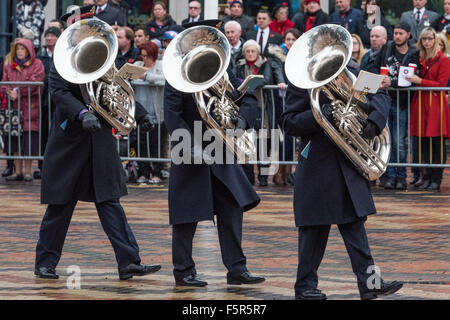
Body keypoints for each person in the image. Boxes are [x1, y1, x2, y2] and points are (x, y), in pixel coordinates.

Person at [33, 4, 161, 280]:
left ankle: (129, 261)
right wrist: (81, 113)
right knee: (60, 205)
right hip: (71, 141)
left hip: (98, 140)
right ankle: (44, 263)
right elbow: (58, 92)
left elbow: (116, 89)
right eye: (82, 25)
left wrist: (141, 113)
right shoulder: (60, 56)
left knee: (110, 202)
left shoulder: (104, 53)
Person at [281, 26, 403, 300]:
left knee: (355, 229)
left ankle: (370, 285)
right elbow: (288, 122)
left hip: (348, 163)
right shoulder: (302, 81)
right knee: (313, 231)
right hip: (318, 163)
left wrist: (374, 122)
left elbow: (381, 95)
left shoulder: (352, 74)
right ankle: (304, 288)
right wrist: (320, 115)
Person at [164, 19, 265, 287]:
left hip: (221, 150)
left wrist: (243, 120)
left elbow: (247, 97)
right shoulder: (176, 74)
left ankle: (237, 269)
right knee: (187, 215)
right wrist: (191, 146)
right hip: (191, 151)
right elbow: (172, 116)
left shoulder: (222, 70)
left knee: (232, 210)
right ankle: (183, 271)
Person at [374, 22, 419, 190]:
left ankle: (401, 175)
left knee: (399, 140)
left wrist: (391, 81)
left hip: (402, 102)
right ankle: (390, 174)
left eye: (401, 33)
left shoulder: (414, 52)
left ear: (408, 35)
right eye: (395, 33)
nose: (397, 36)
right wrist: (380, 80)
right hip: (385, 100)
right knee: (387, 140)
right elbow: (378, 67)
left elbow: (410, 78)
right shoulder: (387, 49)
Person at [406, 27, 450, 191]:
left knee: (436, 143)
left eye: (430, 39)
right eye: (424, 39)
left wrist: (420, 81)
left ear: (435, 40)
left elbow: (442, 85)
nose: (427, 42)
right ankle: (427, 176)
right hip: (421, 103)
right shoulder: (420, 58)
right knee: (423, 142)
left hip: (435, 104)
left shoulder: (443, 60)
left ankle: (436, 178)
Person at [1, 38, 45, 182]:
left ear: (28, 50)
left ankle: (27, 171)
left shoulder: (37, 64)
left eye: (22, 49)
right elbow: (4, 82)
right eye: (18, 48)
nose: (20, 51)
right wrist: (9, 92)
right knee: (14, 139)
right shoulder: (8, 64)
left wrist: (18, 92)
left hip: (30, 107)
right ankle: (17, 171)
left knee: (29, 140)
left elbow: (35, 83)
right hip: (13, 108)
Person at [234, 40, 273, 186]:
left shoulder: (265, 64)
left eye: (253, 51)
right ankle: (248, 178)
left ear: (258, 52)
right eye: (248, 51)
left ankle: (263, 178)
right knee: (246, 143)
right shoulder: (239, 65)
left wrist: (246, 84)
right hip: (245, 108)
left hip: (262, 107)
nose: (250, 54)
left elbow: (266, 80)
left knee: (263, 142)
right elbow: (235, 81)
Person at [268, 28, 302, 186]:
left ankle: (291, 171)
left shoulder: (301, 55)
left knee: (293, 139)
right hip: (281, 100)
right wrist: (282, 83)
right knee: (285, 139)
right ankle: (282, 172)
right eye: (288, 39)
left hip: (297, 100)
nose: (290, 42)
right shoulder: (277, 54)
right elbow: (277, 70)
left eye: (293, 39)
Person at [133, 41, 166, 185]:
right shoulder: (137, 65)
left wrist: (145, 77)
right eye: (142, 55)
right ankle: (143, 172)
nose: (143, 58)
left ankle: (157, 172)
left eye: (146, 56)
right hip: (140, 112)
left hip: (157, 112)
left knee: (156, 144)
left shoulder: (161, 66)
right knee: (141, 145)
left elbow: (164, 80)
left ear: (153, 55)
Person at [34, 26, 62, 180]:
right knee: (44, 133)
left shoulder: (62, 54)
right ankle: (42, 165)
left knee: (58, 133)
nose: (49, 38)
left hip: (60, 101)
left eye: (52, 35)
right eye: (47, 35)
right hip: (45, 100)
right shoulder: (40, 56)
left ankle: (57, 166)